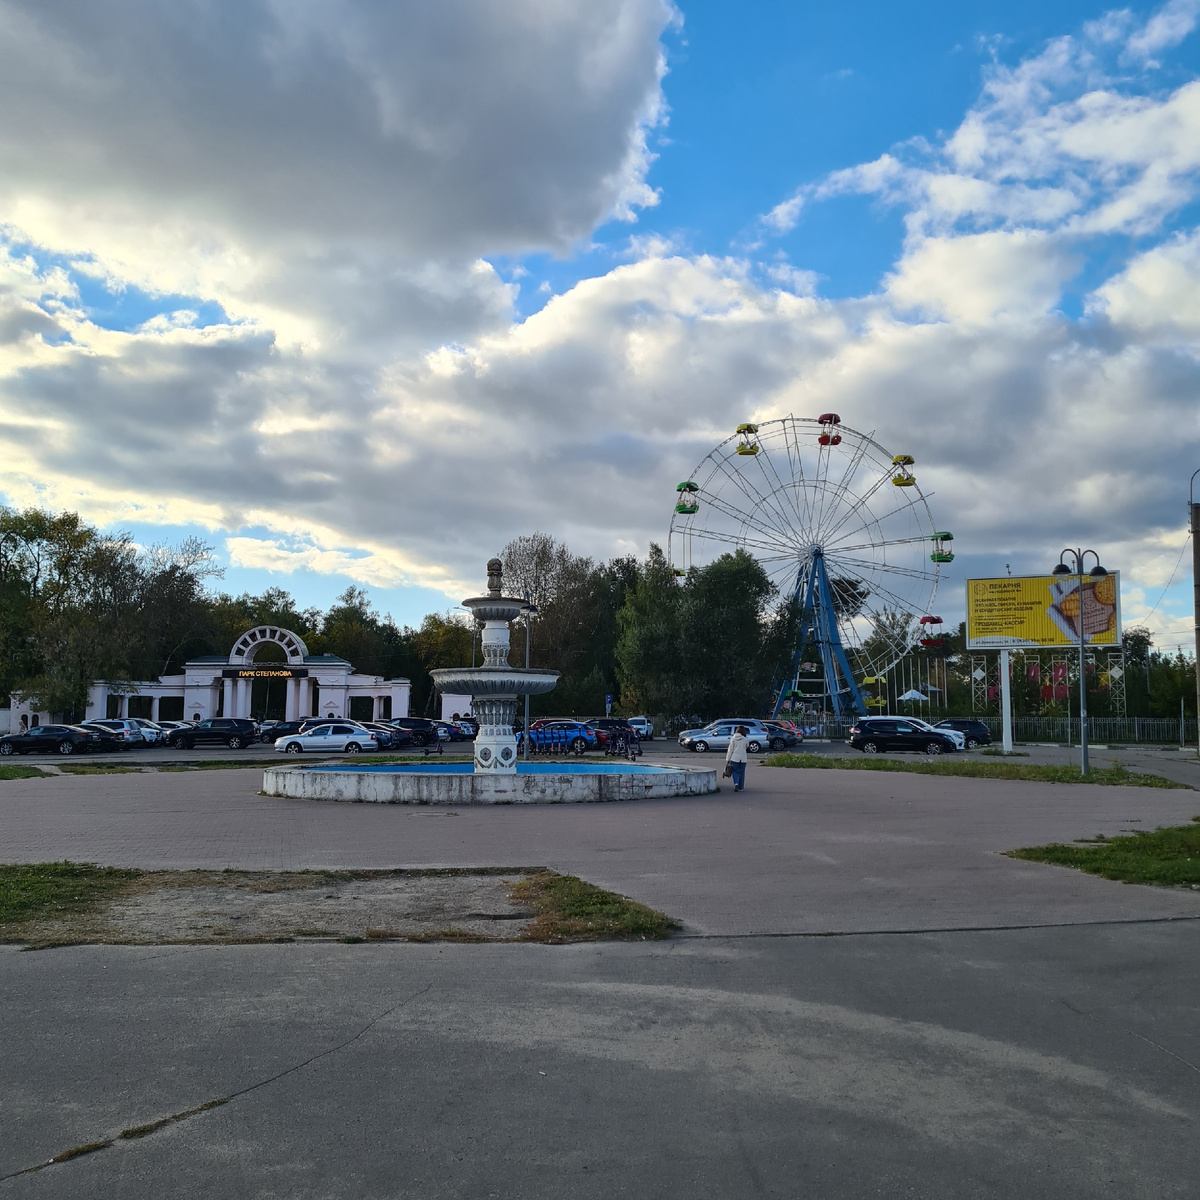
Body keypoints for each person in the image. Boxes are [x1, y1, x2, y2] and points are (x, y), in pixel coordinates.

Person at [725, 725, 749, 792]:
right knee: (742, 773)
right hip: (743, 758)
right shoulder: (746, 739)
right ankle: (741, 787)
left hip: (734, 758)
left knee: (735, 772)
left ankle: (736, 783)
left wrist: (727, 759)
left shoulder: (733, 739)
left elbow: (730, 750)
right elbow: (747, 746)